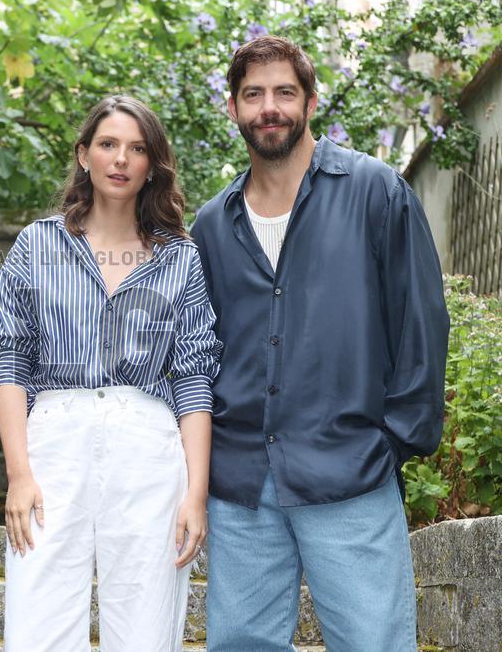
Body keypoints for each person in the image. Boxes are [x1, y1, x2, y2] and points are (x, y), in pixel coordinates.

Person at [191, 36, 450, 651]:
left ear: (310, 101)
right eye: (253, 94)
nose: (269, 107)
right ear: (233, 108)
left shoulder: (376, 192)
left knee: (373, 643)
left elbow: (420, 323)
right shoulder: (211, 224)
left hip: (350, 470)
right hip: (242, 484)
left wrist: (391, 442)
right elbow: (199, 350)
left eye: (284, 92)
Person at [0, 95, 222, 652]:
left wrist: (196, 493)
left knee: (145, 626)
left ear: (152, 165)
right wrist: (18, 475)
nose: (120, 159)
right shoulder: (37, 245)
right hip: (53, 445)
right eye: (108, 144)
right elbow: (11, 363)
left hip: (148, 447)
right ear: (83, 154)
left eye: (136, 149)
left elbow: (193, 378)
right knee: (38, 625)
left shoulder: (180, 258)